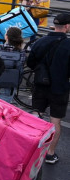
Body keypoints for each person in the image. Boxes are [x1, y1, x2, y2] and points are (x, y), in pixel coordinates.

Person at [27, 13, 70, 165]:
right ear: (67, 26)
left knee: (36, 115)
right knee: (55, 121)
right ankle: (50, 154)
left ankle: (30, 149)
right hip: (60, 87)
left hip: (40, 84)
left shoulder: (41, 41)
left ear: (54, 25)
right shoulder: (68, 44)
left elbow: (30, 62)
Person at [0, 26, 26, 103]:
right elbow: (20, 67)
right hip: (9, 85)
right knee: (3, 110)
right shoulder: (21, 52)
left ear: (6, 36)